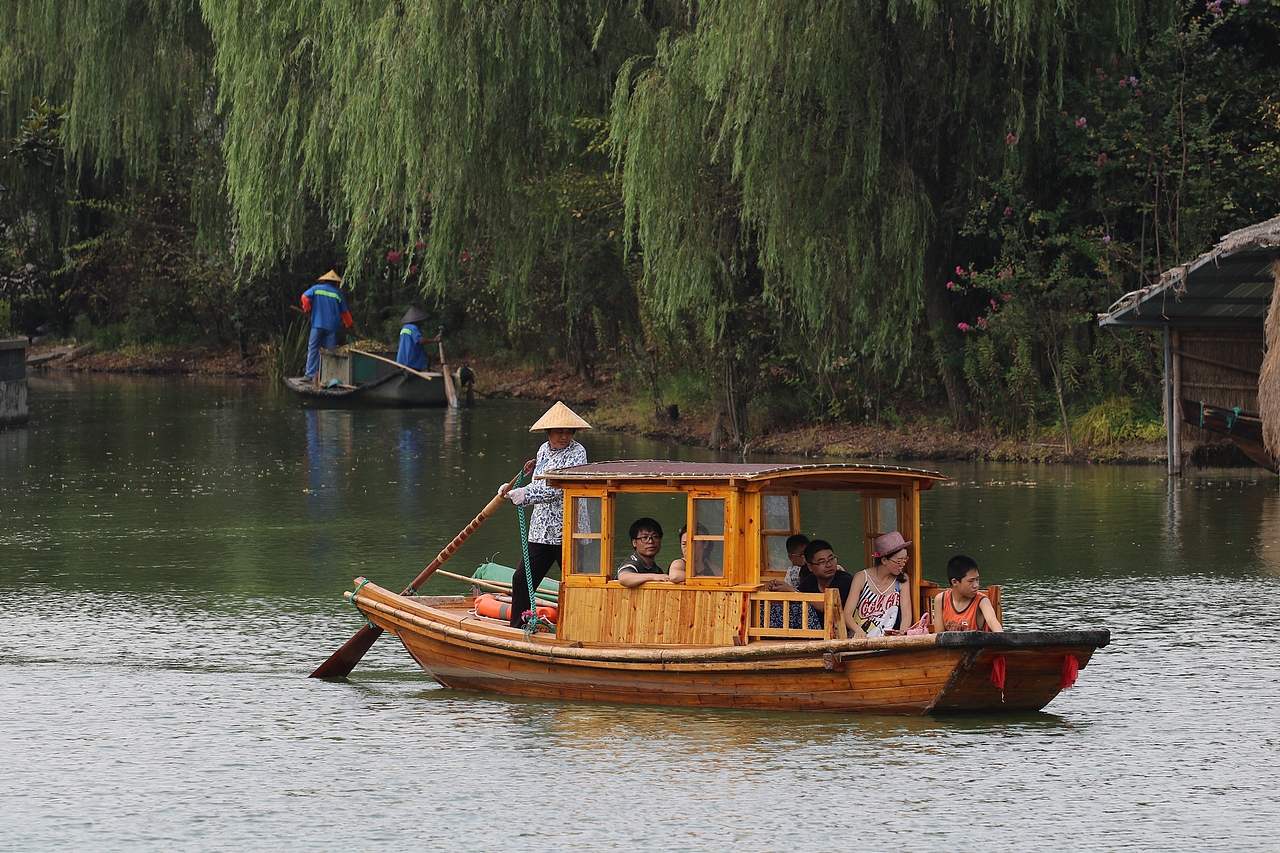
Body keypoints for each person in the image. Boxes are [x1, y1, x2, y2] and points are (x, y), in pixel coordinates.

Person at [499, 401, 590, 627]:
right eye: (559, 431)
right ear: (548, 432)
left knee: (576, 584)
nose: (564, 436)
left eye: (568, 432)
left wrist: (526, 495)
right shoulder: (542, 451)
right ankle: (518, 629)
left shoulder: (577, 453)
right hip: (541, 532)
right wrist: (512, 490)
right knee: (521, 580)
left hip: (570, 531)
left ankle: (581, 628)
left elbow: (559, 486)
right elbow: (536, 483)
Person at [844, 531, 916, 637]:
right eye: (899, 561)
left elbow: (906, 614)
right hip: (860, 639)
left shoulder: (902, 580)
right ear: (884, 560)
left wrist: (901, 633)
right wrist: (858, 631)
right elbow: (847, 613)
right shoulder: (861, 577)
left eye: (905, 560)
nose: (903, 565)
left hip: (887, 641)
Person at [300, 270, 354, 385]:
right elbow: (345, 313)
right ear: (335, 283)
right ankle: (329, 376)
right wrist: (349, 326)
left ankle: (309, 374)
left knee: (313, 349)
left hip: (317, 324)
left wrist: (307, 309)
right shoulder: (338, 294)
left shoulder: (316, 289)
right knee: (330, 351)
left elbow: (304, 297)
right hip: (331, 326)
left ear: (324, 280)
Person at [933, 554, 1003, 633]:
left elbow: (992, 620)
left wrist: (1002, 638)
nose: (976, 585)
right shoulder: (941, 599)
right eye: (970, 581)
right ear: (954, 582)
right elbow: (939, 635)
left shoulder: (982, 601)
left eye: (977, 579)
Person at [795, 539, 855, 629]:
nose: (829, 565)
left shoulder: (845, 580)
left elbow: (827, 607)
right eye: (822, 562)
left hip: (841, 633)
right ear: (810, 567)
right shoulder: (810, 581)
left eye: (831, 559)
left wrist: (793, 592)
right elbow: (797, 601)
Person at [617, 518, 680, 587]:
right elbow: (623, 578)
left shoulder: (657, 570)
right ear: (634, 542)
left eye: (655, 537)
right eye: (644, 537)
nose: (650, 541)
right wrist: (653, 577)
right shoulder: (633, 563)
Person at [395, 307, 441, 372]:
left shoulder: (404, 328)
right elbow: (420, 341)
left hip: (402, 362)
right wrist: (434, 340)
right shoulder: (413, 328)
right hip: (411, 364)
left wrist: (427, 355)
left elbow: (412, 346)